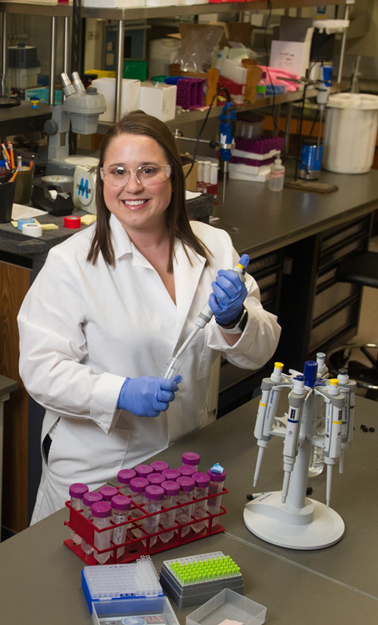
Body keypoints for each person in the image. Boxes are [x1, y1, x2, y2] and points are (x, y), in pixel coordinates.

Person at [18, 112, 280, 524]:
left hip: (185, 458)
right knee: (74, 579)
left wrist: (237, 321)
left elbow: (259, 352)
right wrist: (118, 392)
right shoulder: (70, 263)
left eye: (148, 170)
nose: (132, 185)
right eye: (118, 171)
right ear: (102, 178)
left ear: (173, 176)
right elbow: (40, 369)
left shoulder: (214, 246)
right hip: (97, 472)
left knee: (167, 572)